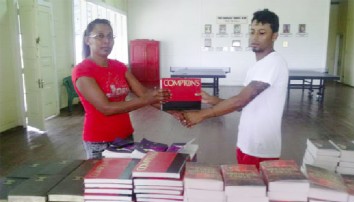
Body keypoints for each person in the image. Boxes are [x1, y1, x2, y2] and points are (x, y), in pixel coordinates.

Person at [182, 9, 289, 170]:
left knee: (255, 192)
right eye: (252, 32)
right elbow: (245, 104)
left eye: (262, 33)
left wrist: (202, 115)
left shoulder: (273, 62)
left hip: (260, 147)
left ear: (274, 36)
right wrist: (214, 100)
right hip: (247, 142)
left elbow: (240, 101)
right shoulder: (258, 66)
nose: (254, 37)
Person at [72, 19, 170, 159]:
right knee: (105, 180)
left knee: (125, 175)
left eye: (110, 36)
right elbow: (106, 108)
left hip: (125, 135)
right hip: (99, 141)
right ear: (88, 40)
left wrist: (177, 113)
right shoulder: (83, 70)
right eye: (100, 36)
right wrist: (146, 99)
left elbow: (144, 93)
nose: (107, 41)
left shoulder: (119, 67)